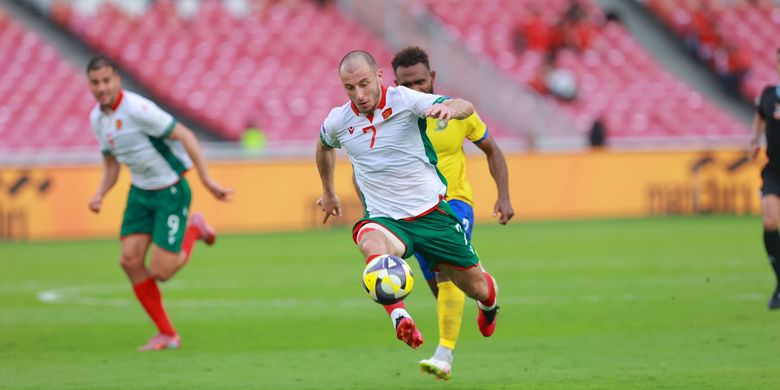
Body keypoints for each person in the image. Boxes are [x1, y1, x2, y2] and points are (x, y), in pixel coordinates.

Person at [315, 49, 500, 363]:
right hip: (387, 220)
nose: (358, 95)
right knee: (369, 241)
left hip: (432, 213)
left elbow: (462, 105)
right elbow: (323, 147)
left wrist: (451, 110)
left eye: (363, 84)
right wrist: (329, 191)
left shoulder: (404, 99)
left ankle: (489, 303)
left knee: (476, 287)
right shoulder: (338, 120)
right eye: (349, 88)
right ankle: (399, 317)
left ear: (378, 76)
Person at [86, 56, 233, 350]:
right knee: (128, 261)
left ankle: (194, 228)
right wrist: (101, 193)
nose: (102, 88)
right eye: (95, 82)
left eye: (106, 81)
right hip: (140, 193)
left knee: (162, 272)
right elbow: (112, 165)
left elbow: (186, 135)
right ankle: (167, 334)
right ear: (89, 84)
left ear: (117, 80)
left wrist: (207, 180)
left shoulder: (139, 110)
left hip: (170, 191)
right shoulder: (97, 119)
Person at [388, 47, 514, 380]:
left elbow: (492, 150)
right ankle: (487, 298)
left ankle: (444, 355)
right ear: (395, 84)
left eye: (420, 81)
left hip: (455, 202)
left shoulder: (454, 111)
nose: (416, 90)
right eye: (407, 84)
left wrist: (503, 195)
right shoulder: (392, 118)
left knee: (447, 278)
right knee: (449, 284)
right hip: (416, 211)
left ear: (433, 78)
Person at [749, 48, 780, 310]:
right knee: (770, 221)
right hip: (774, 169)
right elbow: (759, 115)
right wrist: (754, 140)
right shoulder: (769, 94)